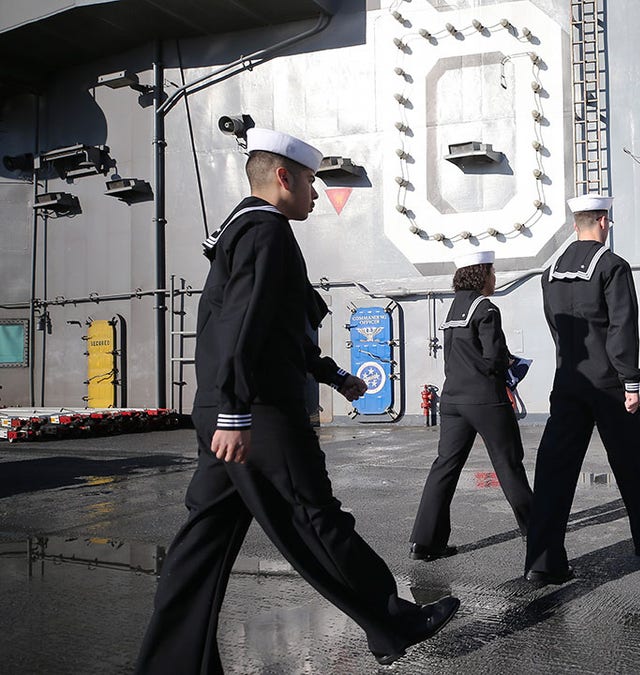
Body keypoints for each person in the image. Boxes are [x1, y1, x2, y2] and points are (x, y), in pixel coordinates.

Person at [136, 128, 458, 673]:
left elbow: (275, 328)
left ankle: (170, 663)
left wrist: (332, 375)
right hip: (257, 415)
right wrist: (238, 413)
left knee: (204, 541)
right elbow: (241, 327)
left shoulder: (243, 232)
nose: (315, 194)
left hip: (226, 410)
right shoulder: (268, 232)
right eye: (310, 181)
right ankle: (395, 620)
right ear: (283, 177)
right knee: (317, 519)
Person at [523, 194, 640, 585]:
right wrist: (630, 382)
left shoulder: (550, 272)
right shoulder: (612, 266)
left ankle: (543, 561)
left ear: (576, 223)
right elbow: (622, 327)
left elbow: (556, 326)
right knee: (629, 461)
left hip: (569, 380)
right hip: (608, 383)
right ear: (604, 222)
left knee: (554, 470)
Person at [409, 250, 534, 560]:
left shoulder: (452, 310)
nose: (495, 278)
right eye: (492, 273)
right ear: (482, 275)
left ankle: (424, 543)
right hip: (485, 400)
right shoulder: (486, 308)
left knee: (444, 468)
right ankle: (538, 535)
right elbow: (493, 358)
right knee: (508, 465)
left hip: (452, 401)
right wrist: (509, 364)